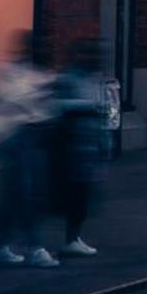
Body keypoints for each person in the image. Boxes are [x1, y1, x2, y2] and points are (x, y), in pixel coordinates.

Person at [0, 31, 58, 268]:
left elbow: (46, 107)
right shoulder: (12, 73)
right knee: (25, 192)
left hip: (32, 136)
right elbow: (17, 102)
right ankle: (33, 246)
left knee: (19, 194)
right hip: (14, 135)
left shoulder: (41, 74)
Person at [53, 38, 108, 256]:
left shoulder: (92, 78)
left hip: (87, 146)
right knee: (74, 195)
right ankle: (69, 238)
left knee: (82, 195)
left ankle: (73, 237)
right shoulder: (69, 78)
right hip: (73, 146)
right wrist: (87, 107)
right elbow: (59, 105)